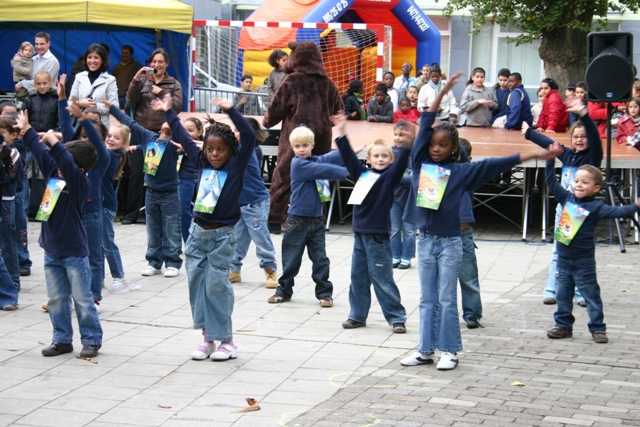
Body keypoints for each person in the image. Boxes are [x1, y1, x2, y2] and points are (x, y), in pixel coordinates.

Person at [400, 71, 559, 370]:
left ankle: (449, 350)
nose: (436, 149)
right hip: (425, 241)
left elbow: (495, 164)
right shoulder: (420, 163)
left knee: (446, 299)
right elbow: (424, 127)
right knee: (426, 299)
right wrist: (443, 90)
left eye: (443, 145)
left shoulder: (461, 172)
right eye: (433, 144)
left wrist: (535, 154)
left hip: (450, 244)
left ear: (454, 149)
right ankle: (425, 350)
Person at [157, 94, 255, 361]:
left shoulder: (237, 164)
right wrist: (168, 112)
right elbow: (184, 136)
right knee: (197, 285)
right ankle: (207, 338)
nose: (214, 154)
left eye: (220, 150)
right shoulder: (200, 161)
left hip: (223, 236)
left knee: (216, 286)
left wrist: (231, 110)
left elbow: (248, 134)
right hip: (197, 235)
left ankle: (228, 341)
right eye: (210, 149)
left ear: (230, 150)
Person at [16, 110, 103, 358]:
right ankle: (62, 339)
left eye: (66, 161)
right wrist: (28, 129)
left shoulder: (79, 182)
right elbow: (44, 154)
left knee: (82, 299)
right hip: (51, 250)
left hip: (74, 251)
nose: (59, 165)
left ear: (81, 169)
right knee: (56, 299)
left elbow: (63, 159)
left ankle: (92, 339)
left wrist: (55, 141)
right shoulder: (55, 174)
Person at [545, 159, 640, 344]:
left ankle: (598, 328)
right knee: (562, 296)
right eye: (577, 181)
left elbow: (617, 212)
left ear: (596, 188)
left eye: (585, 182)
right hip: (563, 259)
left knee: (591, 295)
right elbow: (551, 182)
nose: (579, 185)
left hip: (584, 261)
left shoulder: (596, 207)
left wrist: (635, 206)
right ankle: (563, 326)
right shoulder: (566, 198)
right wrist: (550, 160)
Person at [522, 97, 602, 306]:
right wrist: (529, 133)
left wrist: (583, 113)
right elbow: (551, 144)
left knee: (582, 256)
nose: (580, 140)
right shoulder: (568, 155)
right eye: (576, 137)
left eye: (583, 137)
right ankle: (552, 290)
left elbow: (594, 135)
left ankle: (582, 294)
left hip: (583, 212)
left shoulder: (593, 157)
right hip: (566, 209)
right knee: (560, 251)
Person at [333, 113, 408, 333]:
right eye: (376, 156)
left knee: (382, 278)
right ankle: (357, 315)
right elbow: (347, 157)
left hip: (377, 237)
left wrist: (407, 144)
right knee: (358, 277)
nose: (381, 159)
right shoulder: (363, 175)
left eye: (385, 156)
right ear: (369, 159)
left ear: (391, 159)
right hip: (360, 235)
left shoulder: (389, 177)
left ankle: (396, 317)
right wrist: (342, 131)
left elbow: (402, 162)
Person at [262, 41, 343, 232]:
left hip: (296, 139)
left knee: (284, 177)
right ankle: (318, 219)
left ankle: (274, 219)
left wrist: (266, 123)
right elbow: (339, 110)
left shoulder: (291, 81)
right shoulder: (328, 83)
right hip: (320, 139)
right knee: (319, 176)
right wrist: (325, 123)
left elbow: (276, 109)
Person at [267, 125, 347, 307]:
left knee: (320, 259)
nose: (301, 149)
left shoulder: (315, 160)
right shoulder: (299, 164)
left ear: (312, 145)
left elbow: (332, 157)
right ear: (292, 148)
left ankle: (325, 294)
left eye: (305, 145)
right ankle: (283, 290)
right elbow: (325, 169)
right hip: (296, 219)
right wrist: (347, 172)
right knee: (291, 259)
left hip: (316, 220)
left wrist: (349, 149)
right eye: (297, 146)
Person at [105, 96, 183, 278]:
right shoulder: (149, 137)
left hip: (170, 192)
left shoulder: (175, 143)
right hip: (151, 190)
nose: (166, 124)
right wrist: (113, 108)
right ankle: (154, 261)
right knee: (152, 227)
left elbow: (180, 132)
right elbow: (129, 122)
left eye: (169, 123)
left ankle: (172, 262)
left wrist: (167, 111)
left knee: (171, 227)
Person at [61, 76, 111, 312]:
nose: (86, 141)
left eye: (91, 137)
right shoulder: (72, 159)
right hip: (71, 212)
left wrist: (84, 119)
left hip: (91, 213)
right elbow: (66, 135)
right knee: (70, 255)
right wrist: (62, 101)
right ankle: (69, 295)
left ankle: (94, 296)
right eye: (83, 136)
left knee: (93, 253)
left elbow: (97, 145)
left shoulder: (101, 160)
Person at [121, 48, 182, 225]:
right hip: (141, 132)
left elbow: (176, 106)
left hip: (160, 133)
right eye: (154, 62)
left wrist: (162, 93)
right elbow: (130, 100)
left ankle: (154, 214)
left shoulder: (173, 83)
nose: (157, 65)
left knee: (156, 173)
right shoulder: (144, 81)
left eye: (160, 62)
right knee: (136, 173)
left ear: (167, 64)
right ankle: (131, 213)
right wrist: (135, 80)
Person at [228, 118, 278, 288]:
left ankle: (270, 269)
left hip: (255, 202)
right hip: (239, 202)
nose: (234, 133)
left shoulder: (249, 150)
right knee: (237, 237)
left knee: (260, 237)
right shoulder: (239, 150)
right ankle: (233, 270)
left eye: (237, 130)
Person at [101, 121, 139, 294]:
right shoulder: (107, 153)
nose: (111, 140)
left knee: (107, 242)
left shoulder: (111, 155)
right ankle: (98, 277)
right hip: (99, 203)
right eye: (109, 136)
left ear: (124, 144)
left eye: (116, 138)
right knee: (96, 244)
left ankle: (119, 277)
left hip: (105, 204)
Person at [0, 115, 31, 278]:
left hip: (10, 200)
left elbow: (6, 177)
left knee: (12, 237)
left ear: (13, 135)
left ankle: (14, 277)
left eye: (2, 133)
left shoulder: (12, 153)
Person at [457, 138, 483, 329]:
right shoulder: (439, 173)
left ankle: (472, 313)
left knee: (468, 278)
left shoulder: (468, 174)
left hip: (463, 233)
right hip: (441, 234)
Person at [69, 44, 119, 129]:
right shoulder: (79, 77)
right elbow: (69, 103)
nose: (92, 61)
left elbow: (114, 107)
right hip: (80, 127)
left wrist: (94, 105)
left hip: (101, 128)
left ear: (102, 60)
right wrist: (80, 104)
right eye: (89, 57)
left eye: (96, 57)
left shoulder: (110, 80)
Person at [389, 121, 416, 270]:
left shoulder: (414, 154)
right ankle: (395, 255)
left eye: (402, 135)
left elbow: (416, 176)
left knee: (410, 230)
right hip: (393, 198)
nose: (398, 138)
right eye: (396, 135)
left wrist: (397, 178)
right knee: (394, 229)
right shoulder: (390, 152)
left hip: (410, 200)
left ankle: (406, 257)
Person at [0, 122, 22, 292]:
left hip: (6, 201)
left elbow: (7, 177)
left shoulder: (13, 153)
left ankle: (13, 281)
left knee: (8, 241)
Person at [178, 117, 203, 243]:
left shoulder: (200, 147)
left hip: (187, 180)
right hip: (174, 180)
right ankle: (173, 245)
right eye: (184, 130)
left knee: (183, 211)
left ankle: (189, 241)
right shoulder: (178, 143)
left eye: (191, 130)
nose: (187, 133)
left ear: (200, 132)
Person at [112, 45, 142, 109]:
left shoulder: (136, 65)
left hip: (129, 98)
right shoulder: (117, 67)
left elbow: (145, 76)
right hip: (117, 97)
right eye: (122, 53)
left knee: (128, 118)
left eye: (126, 53)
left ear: (131, 54)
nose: (124, 55)